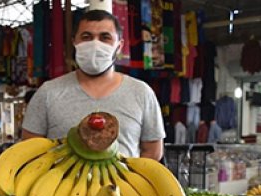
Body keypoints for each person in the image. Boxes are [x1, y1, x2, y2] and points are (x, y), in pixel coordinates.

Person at [21, 9, 165, 161]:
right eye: (86, 37)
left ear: (119, 45)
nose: (95, 44)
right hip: (61, 184)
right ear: (74, 42)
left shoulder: (141, 92)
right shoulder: (48, 93)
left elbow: (153, 152)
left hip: (122, 185)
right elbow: (30, 151)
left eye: (105, 37)